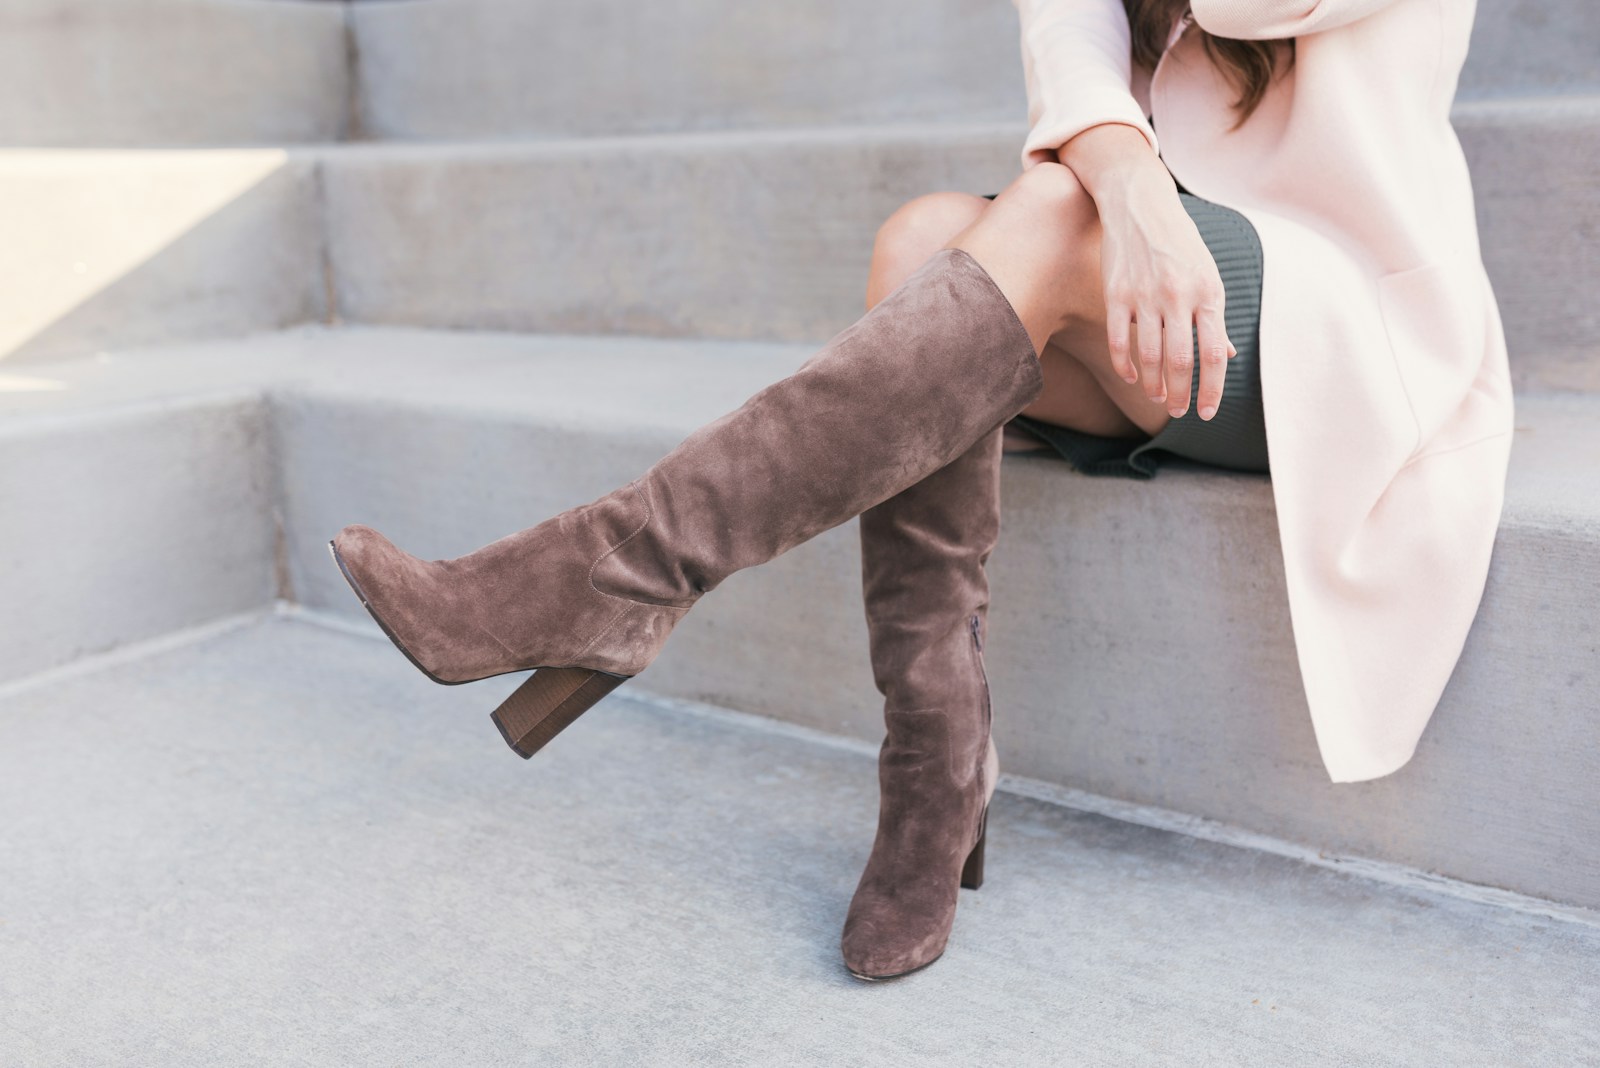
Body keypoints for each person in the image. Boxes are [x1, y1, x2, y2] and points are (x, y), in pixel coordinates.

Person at [329, 0, 1513, 983]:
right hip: (1155, 282)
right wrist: (1137, 189)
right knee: (920, 239)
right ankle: (934, 768)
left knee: (1040, 213)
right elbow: (1065, 35)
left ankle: (608, 576)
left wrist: (1124, 189)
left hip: (1343, 325)